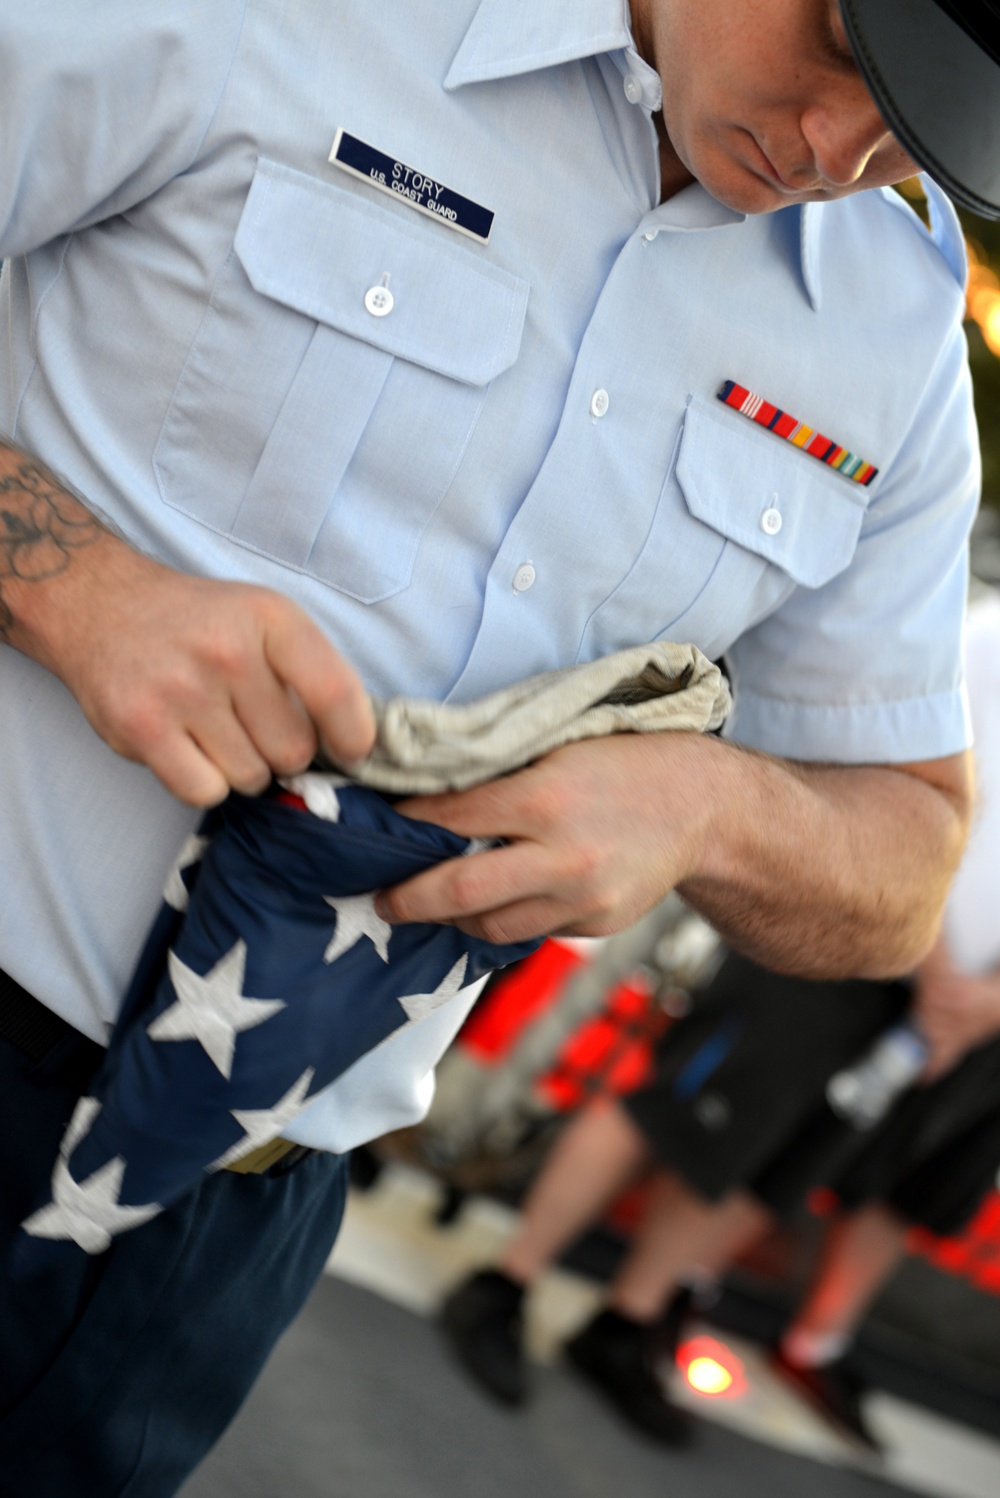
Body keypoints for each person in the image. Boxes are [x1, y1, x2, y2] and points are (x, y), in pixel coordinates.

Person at [0, 2, 996, 1492]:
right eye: (850, 55)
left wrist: (707, 809)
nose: (837, 152)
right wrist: (63, 575)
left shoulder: (897, 333)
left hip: (222, 1225)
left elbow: (910, 853)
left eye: (917, 138)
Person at [443, 584, 1000, 1448]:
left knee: (758, 1162)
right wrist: (933, 968)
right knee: (672, 1111)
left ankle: (626, 1321)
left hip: (939, 1000)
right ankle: (506, 1281)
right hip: (846, 927)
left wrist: (977, 1004)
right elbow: (885, 782)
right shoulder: (986, 637)